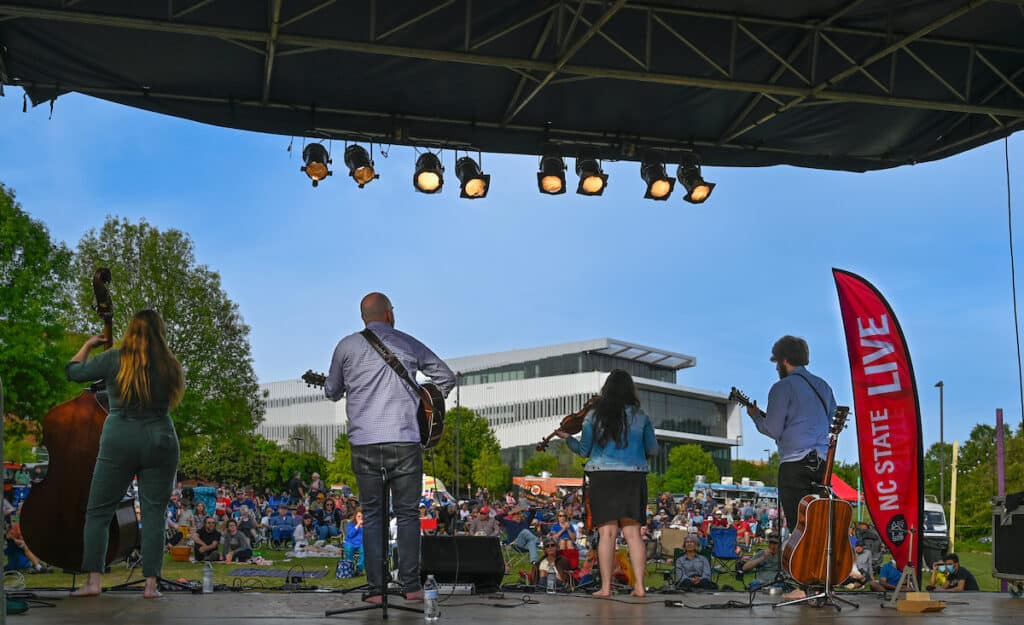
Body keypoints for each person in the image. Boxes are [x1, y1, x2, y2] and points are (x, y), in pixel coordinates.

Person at [323, 292, 456, 603]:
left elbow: (331, 390)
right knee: (408, 515)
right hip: (405, 440)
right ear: (389, 314)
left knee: (372, 516)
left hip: (364, 443)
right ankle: (411, 587)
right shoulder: (407, 343)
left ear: (363, 317)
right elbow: (446, 378)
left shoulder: (346, 346)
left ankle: (376, 589)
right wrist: (428, 402)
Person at [64, 309, 184, 599]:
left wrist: (89, 345)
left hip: (119, 439)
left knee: (99, 512)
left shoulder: (113, 358)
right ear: (160, 332)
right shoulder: (170, 364)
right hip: (161, 438)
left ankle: (94, 581)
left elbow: (73, 372)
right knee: (155, 513)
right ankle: (151, 586)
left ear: (131, 331)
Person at [745, 335, 835, 600]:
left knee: (799, 525)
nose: (776, 367)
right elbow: (828, 421)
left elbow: (773, 428)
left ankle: (803, 586)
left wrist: (755, 418)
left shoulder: (782, 388)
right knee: (817, 524)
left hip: (794, 463)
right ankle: (821, 581)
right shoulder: (823, 386)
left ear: (784, 360)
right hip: (821, 462)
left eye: (776, 362)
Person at [557, 369, 658, 598]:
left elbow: (584, 450)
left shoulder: (594, 416)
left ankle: (605, 588)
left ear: (607, 389)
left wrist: (567, 439)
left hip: (602, 476)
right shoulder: (641, 416)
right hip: (633, 476)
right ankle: (640, 587)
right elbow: (652, 449)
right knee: (634, 535)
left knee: (607, 534)